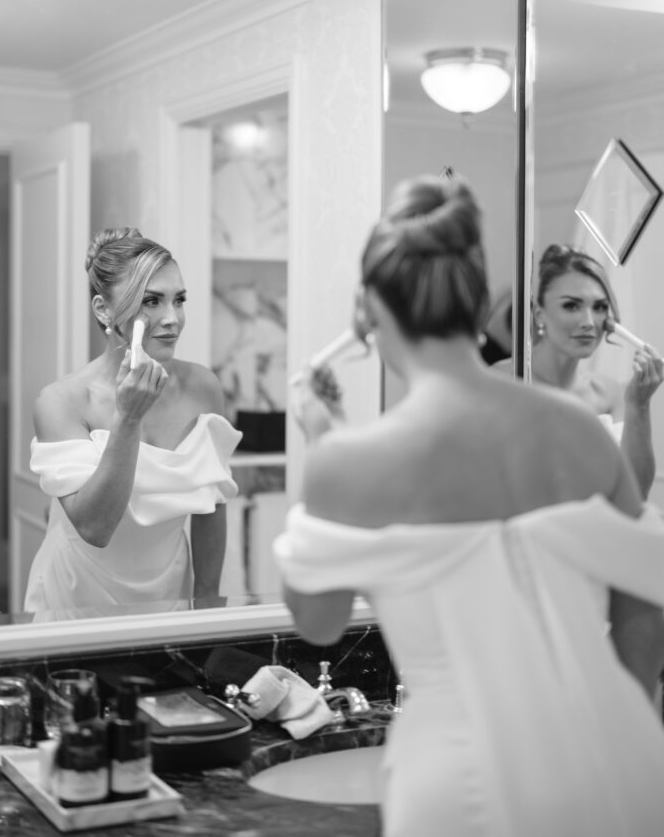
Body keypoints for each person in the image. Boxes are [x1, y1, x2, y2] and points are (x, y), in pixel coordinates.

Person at [273, 174, 664, 837]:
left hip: (456, 779)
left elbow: (318, 621)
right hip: (607, 763)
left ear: (366, 312)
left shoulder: (351, 460)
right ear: (483, 303)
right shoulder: (576, 427)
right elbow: (644, 604)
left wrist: (322, 436)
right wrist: (621, 726)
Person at [24, 227, 240, 616]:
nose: (172, 319)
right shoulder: (62, 402)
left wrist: (207, 600)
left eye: (179, 300)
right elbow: (95, 527)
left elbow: (213, 502)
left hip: (172, 588)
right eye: (151, 301)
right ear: (103, 310)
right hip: (78, 594)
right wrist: (128, 417)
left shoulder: (203, 387)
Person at [496, 243, 663, 497]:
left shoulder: (611, 395)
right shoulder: (502, 381)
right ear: (539, 315)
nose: (589, 322)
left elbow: (636, 493)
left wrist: (639, 406)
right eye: (571, 306)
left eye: (599, 307)